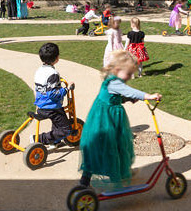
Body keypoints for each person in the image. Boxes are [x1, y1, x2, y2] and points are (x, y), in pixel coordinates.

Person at [78, 50, 162, 188]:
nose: (129, 77)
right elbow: (129, 91)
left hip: (110, 117)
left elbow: (115, 97)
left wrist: (126, 99)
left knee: (116, 145)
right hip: (105, 119)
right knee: (106, 146)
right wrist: (148, 96)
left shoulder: (113, 79)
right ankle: (88, 179)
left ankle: (120, 172)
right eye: (128, 73)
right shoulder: (114, 82)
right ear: (117, 69)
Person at [34, 43, 75, 147]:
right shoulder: (53, 73)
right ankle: (39, 138)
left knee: (58, 122)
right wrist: (67, 89)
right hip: (51, 107)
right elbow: (53, 94)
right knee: (66, 129)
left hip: (41, 104)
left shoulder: (40, 70)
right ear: (57, 58)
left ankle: (54, 142)